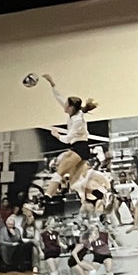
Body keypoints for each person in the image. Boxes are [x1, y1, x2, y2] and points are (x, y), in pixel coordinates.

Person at [37, 71, 100, 203]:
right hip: (81, 149)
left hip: (79, 148)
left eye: (66, 105)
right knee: (74, 182)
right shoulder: (74, 112)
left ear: (71, 108)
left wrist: (57, 135)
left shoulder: (78, 121)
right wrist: (52, 84)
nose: (64, 106)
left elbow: (67, 138)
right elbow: (59, 98)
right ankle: (98, 194)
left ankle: (46, 197)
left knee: (59, 172)